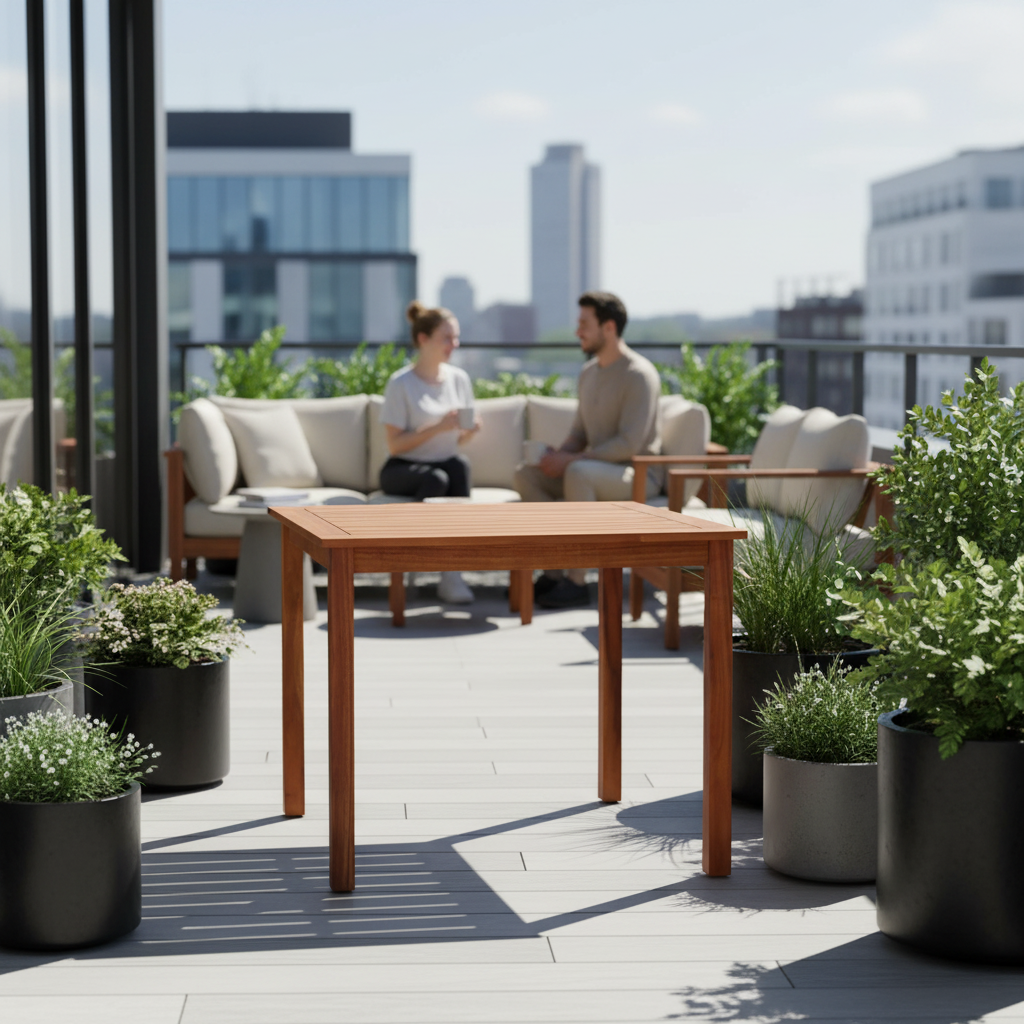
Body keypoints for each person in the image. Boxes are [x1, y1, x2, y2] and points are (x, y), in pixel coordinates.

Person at [514, 291, 662, 608]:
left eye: (584, 323)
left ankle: (577, 581)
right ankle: (554, 573)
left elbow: (629, 444)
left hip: (637, 474)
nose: (577, 331)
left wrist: (572, 460)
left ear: (608, 327)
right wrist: (556, 456)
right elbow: (580, 433)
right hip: (597, 467)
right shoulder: (588, 373)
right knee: (527, 475)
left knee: (579, 472)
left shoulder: (639, 375)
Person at [379, 301, 479, 604]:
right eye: (447, 338)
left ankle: (452, 573)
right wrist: (437, 427)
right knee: (436, 479)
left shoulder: (459, 379)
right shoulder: (401, 384)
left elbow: (457, 442)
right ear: (423, 339)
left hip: (444, 463)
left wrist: (469, 430)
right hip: (402, 468)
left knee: (459, 467)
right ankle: (420, 560)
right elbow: (395, 445)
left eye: (456, 337)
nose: (454, 344)